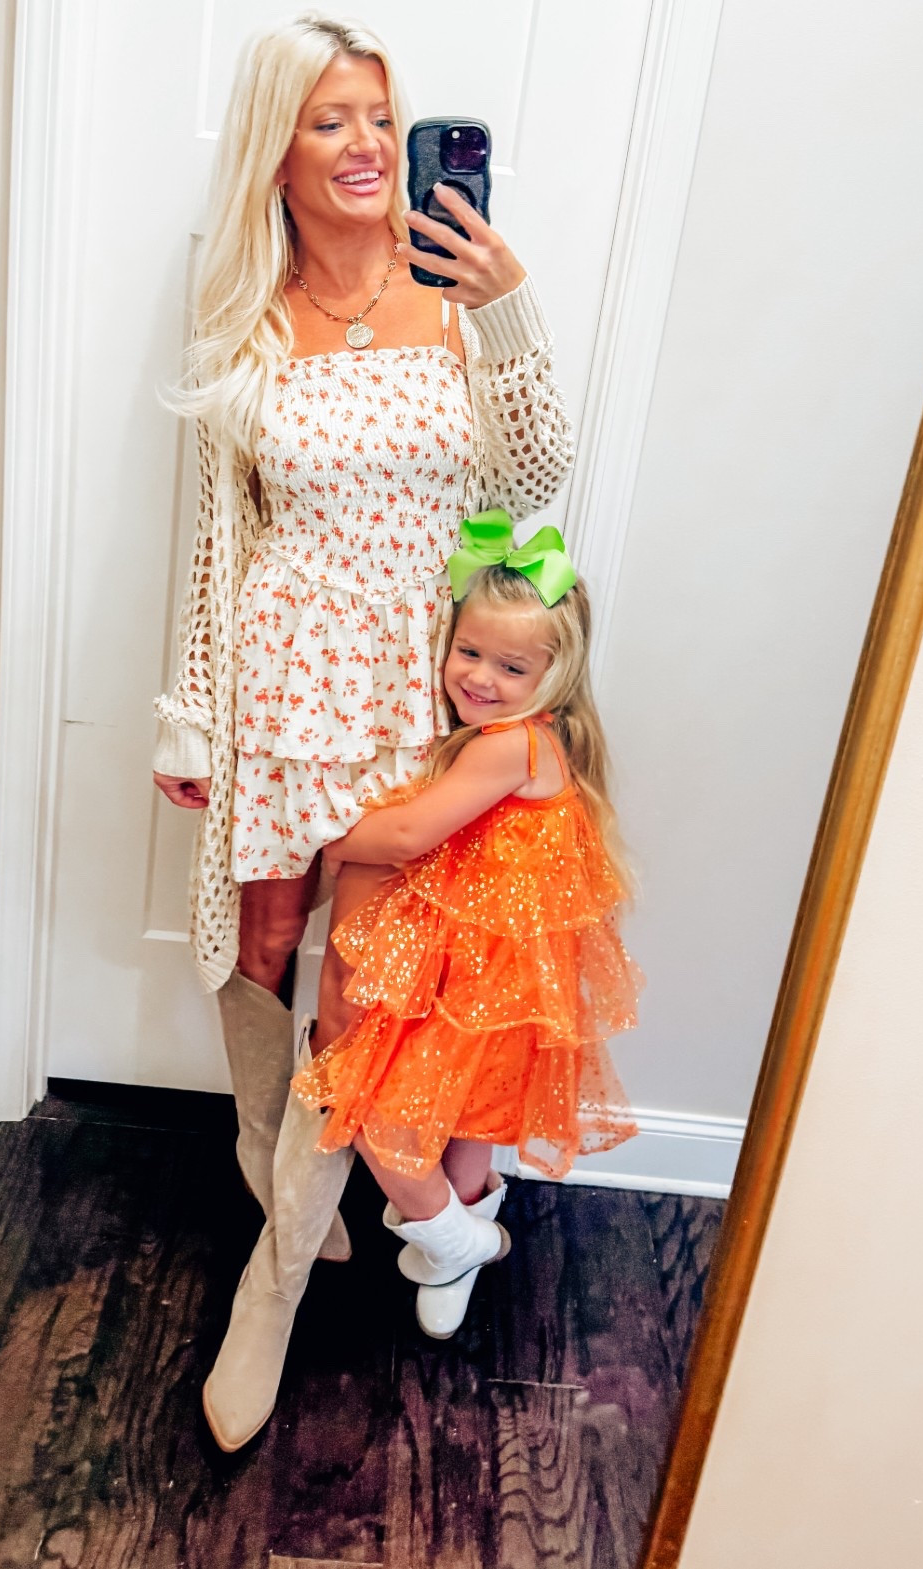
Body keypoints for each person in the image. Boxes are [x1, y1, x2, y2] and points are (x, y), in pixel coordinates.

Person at [152, 12, 575, 1453]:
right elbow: (212, 535)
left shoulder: (454, 289)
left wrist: (509, 307)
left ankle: (268, 1292)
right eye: (331, 121)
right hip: (279, 682)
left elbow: (535, 479)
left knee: (362, 996)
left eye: (382, 119)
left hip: (414, 688)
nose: (366, 147)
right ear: (275, 150)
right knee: (261, 948)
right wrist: (189, 710)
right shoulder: (245, 317)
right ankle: (275, 1174)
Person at [292, 512, 643, 1346]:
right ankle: (457, 1240)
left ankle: (457, 1239)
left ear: (555, 675)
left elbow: (410, 835)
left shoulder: (510, 745)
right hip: (487, 958)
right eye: (469, 651)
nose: (480, 676)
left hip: (491, 966)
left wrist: (328, 836)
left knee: (371, 1106)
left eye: (511, 666)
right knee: (468, 1108)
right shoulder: (519, 737)